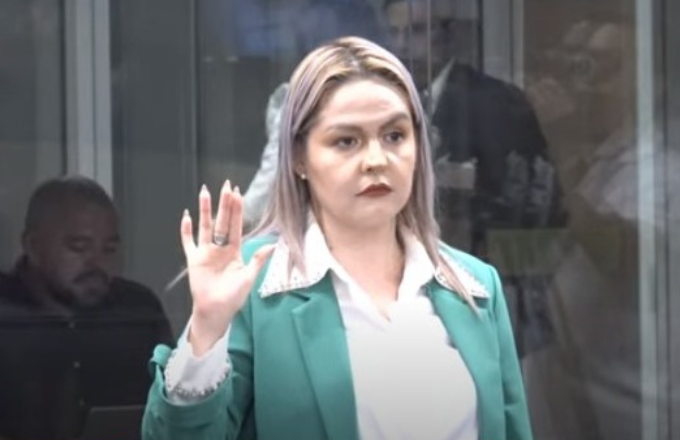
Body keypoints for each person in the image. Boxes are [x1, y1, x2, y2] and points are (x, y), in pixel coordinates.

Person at [143, 36, 531, 440]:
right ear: (298, 157)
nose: (376, 160)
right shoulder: (252, 284)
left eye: (395, 135)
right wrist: (206, 331)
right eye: (346, 141)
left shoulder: (475, 285)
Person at [384, 0, 565, 256]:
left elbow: (526, 201)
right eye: (394, 32)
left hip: (476, 256)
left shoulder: (498, 103)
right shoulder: (380, 100)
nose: (401, 44)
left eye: (416, 31)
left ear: (449, 35)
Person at [0, 176, 173, 440]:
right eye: (79, 247)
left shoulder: (138, 309)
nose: (97, 263)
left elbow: (175, 409)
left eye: (109, 249)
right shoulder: (7, 312)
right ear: (33, 246)